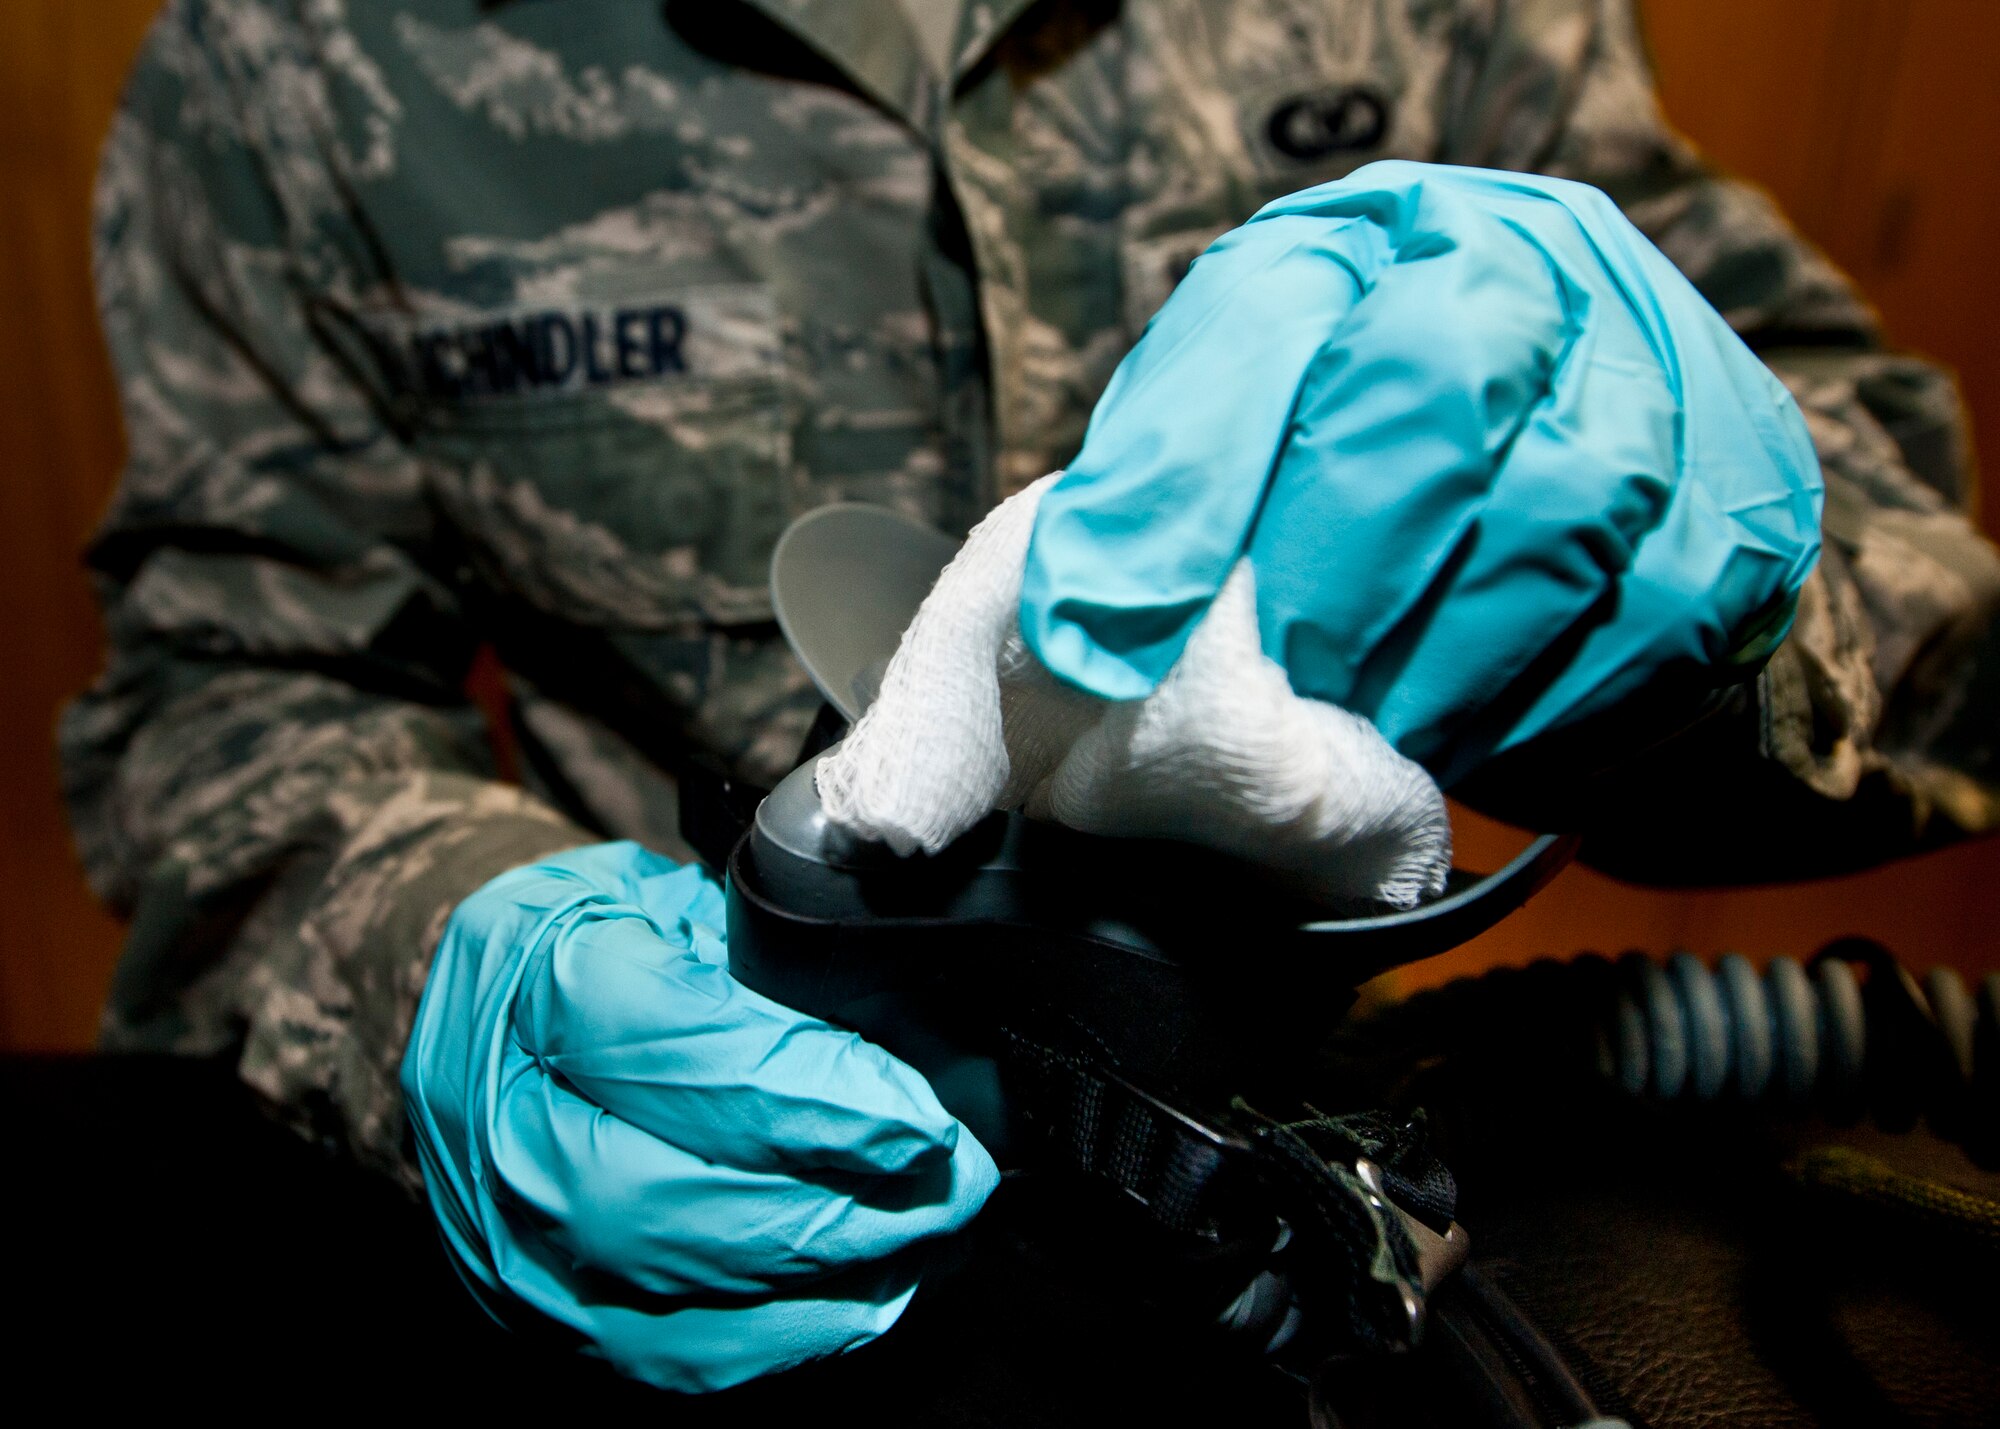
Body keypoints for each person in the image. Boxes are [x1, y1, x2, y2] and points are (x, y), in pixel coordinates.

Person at [64, 0, 1999, 1393]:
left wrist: (1702, 599)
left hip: (1338, 1211)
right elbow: (227, 686)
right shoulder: (291, 56)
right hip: (694, 1190)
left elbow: (1910, 551)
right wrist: (444, 962)